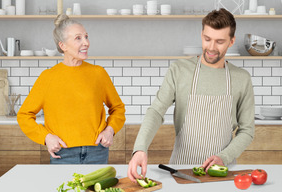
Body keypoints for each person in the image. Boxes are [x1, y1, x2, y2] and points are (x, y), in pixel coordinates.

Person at [128, 8, 255, 181]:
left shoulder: (242, 78)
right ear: (201, 34)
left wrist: (223, 157)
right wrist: (140, 148)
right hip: (181, 169)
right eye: (207, 39)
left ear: (231, 42)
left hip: (222, 172)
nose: (211, 47)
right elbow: (156, 111)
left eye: (219, 41)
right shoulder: (179, 70)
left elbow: (247, 130)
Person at [17, 14, 126, 164]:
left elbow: (118, 108)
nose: (86, 42)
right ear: (63, 46)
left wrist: (110, 130)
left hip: (97, 152)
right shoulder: (48, 77)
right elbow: (24, 115)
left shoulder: (98, 73)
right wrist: (46, 137)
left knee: (96, 189)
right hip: (63, 154)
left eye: (86, 37)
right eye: (78, 38)